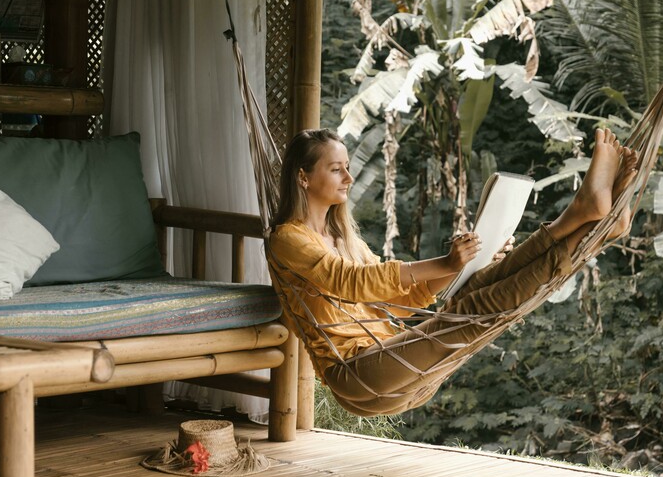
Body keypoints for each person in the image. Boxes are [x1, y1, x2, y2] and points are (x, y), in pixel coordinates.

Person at [267, 127, 637, 416]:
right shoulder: (287, 238)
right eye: (336, 169)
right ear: (303, 178)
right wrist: (444, 263)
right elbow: (347, 281)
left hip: (388, 358)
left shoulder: (345, 238)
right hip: (357, 373)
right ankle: (583, 220)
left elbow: (399, 302)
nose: (348, 177)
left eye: (348, 167)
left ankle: (588, 225)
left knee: (480, 286)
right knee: (470, 310)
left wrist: (463, 264)